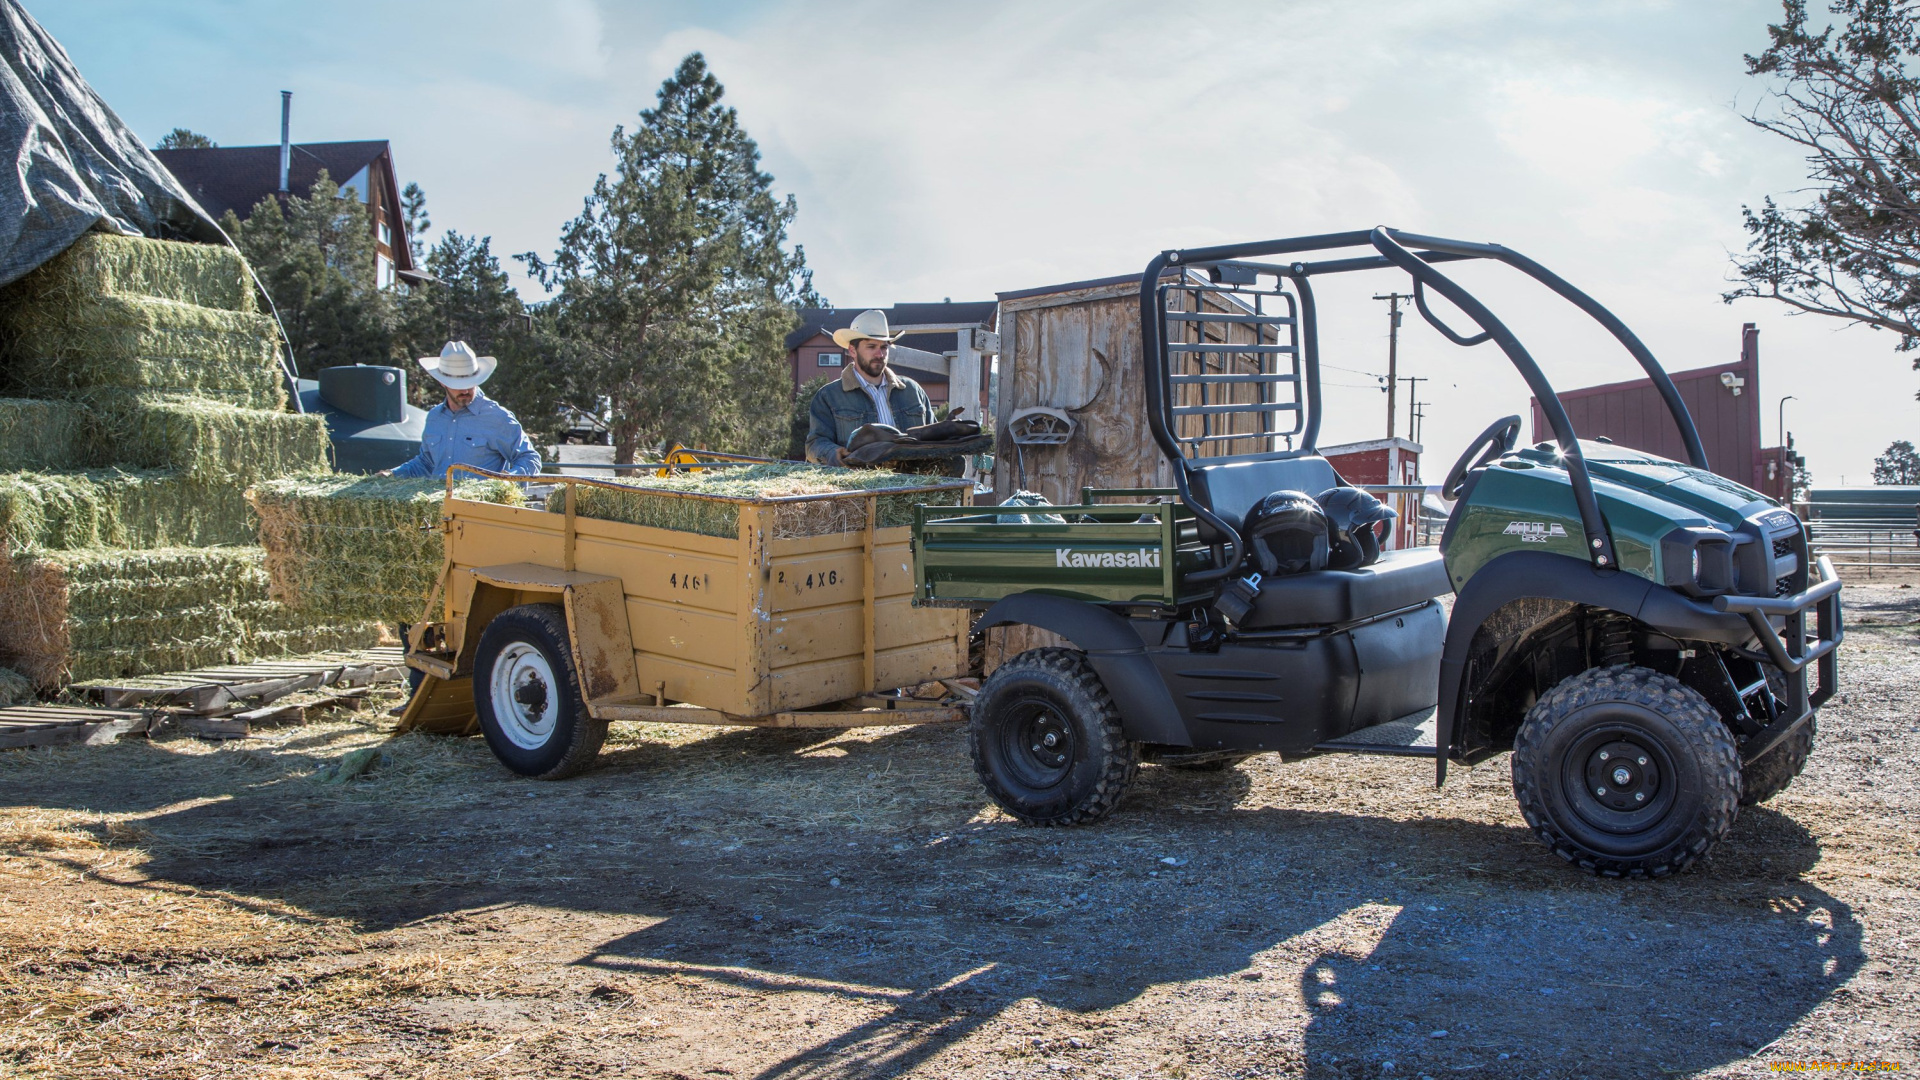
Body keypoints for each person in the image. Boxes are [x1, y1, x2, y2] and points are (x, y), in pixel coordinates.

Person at [383, 341, 542, 479]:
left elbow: (529, 458)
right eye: (458, 384)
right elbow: (426, 463)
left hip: (480, 510)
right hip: (439, 509)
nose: (465, 390)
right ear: (442, 383)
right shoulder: (434, 417)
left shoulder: (497, 417)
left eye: (471, 382)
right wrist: (393, 474)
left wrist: (508, 482)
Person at [805, 309, 933, 465]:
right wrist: (834, 454)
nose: (879, 354)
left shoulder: (912, 391)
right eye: (871, 347)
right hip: (859, 485)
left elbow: (933, 437)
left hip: (913, 483)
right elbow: (814, 444)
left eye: (884, 347)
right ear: (852, 350)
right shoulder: (829, 396)